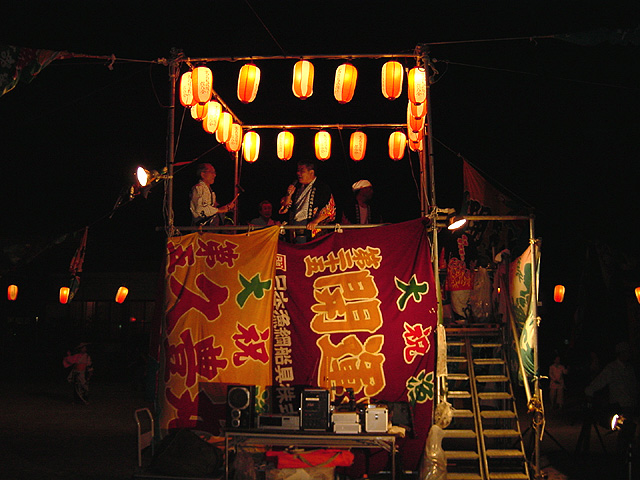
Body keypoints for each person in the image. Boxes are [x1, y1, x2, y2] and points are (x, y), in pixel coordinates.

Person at [279, 159, 335, 243]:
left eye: (302, 171)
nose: (298, 173)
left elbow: (329, 209)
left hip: (313, 230)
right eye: (298, 170)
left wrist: (316, 221)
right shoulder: (297, 187)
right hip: (295, 229)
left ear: (311, 172)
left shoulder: (322, 187)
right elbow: (285, 209)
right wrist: (289, 195)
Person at [585, 341, 638, 418]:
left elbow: (633, 386)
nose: (628, 355)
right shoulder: (612, 368)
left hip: (630, 404)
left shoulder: (629, 368)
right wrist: (589, 391)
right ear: (621, 353)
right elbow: (600, 381)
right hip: (619, 405)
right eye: (626, 352)